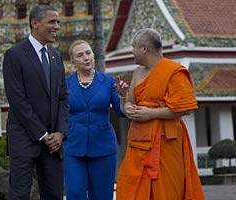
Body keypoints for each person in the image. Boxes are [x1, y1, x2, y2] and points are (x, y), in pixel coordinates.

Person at [116, 28, 205, 200]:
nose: (131, 51)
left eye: (133, 47)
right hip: (139, 142)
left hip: (166, 142)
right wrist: (126, 105)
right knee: (130, 187)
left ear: (144, 48)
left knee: (167, 191)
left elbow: (184, 108)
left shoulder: (174, 71)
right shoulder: (137, 72)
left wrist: (151, 114)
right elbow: (130, 102)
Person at [3, 5, 69, 200]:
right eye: (52, 21)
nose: (56, 26)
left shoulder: (56, 57)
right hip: (24, 139)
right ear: (35, 23)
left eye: (58, 22)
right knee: (20, 194)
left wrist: (60, 132)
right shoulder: (14, 55)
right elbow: (17, 100)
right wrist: (42, 134)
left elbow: (63, 97)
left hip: (54, 143)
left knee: (54, 194)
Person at [64, 40, 128, 200]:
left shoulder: (108, 82)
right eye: (80, 55)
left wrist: (123, 96)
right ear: (73, 61)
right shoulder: (65, 84)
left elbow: (121, 111)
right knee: (75, 192)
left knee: (101, 196)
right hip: (73, 146)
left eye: (88, 53)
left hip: (103, 146)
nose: (86, 57)